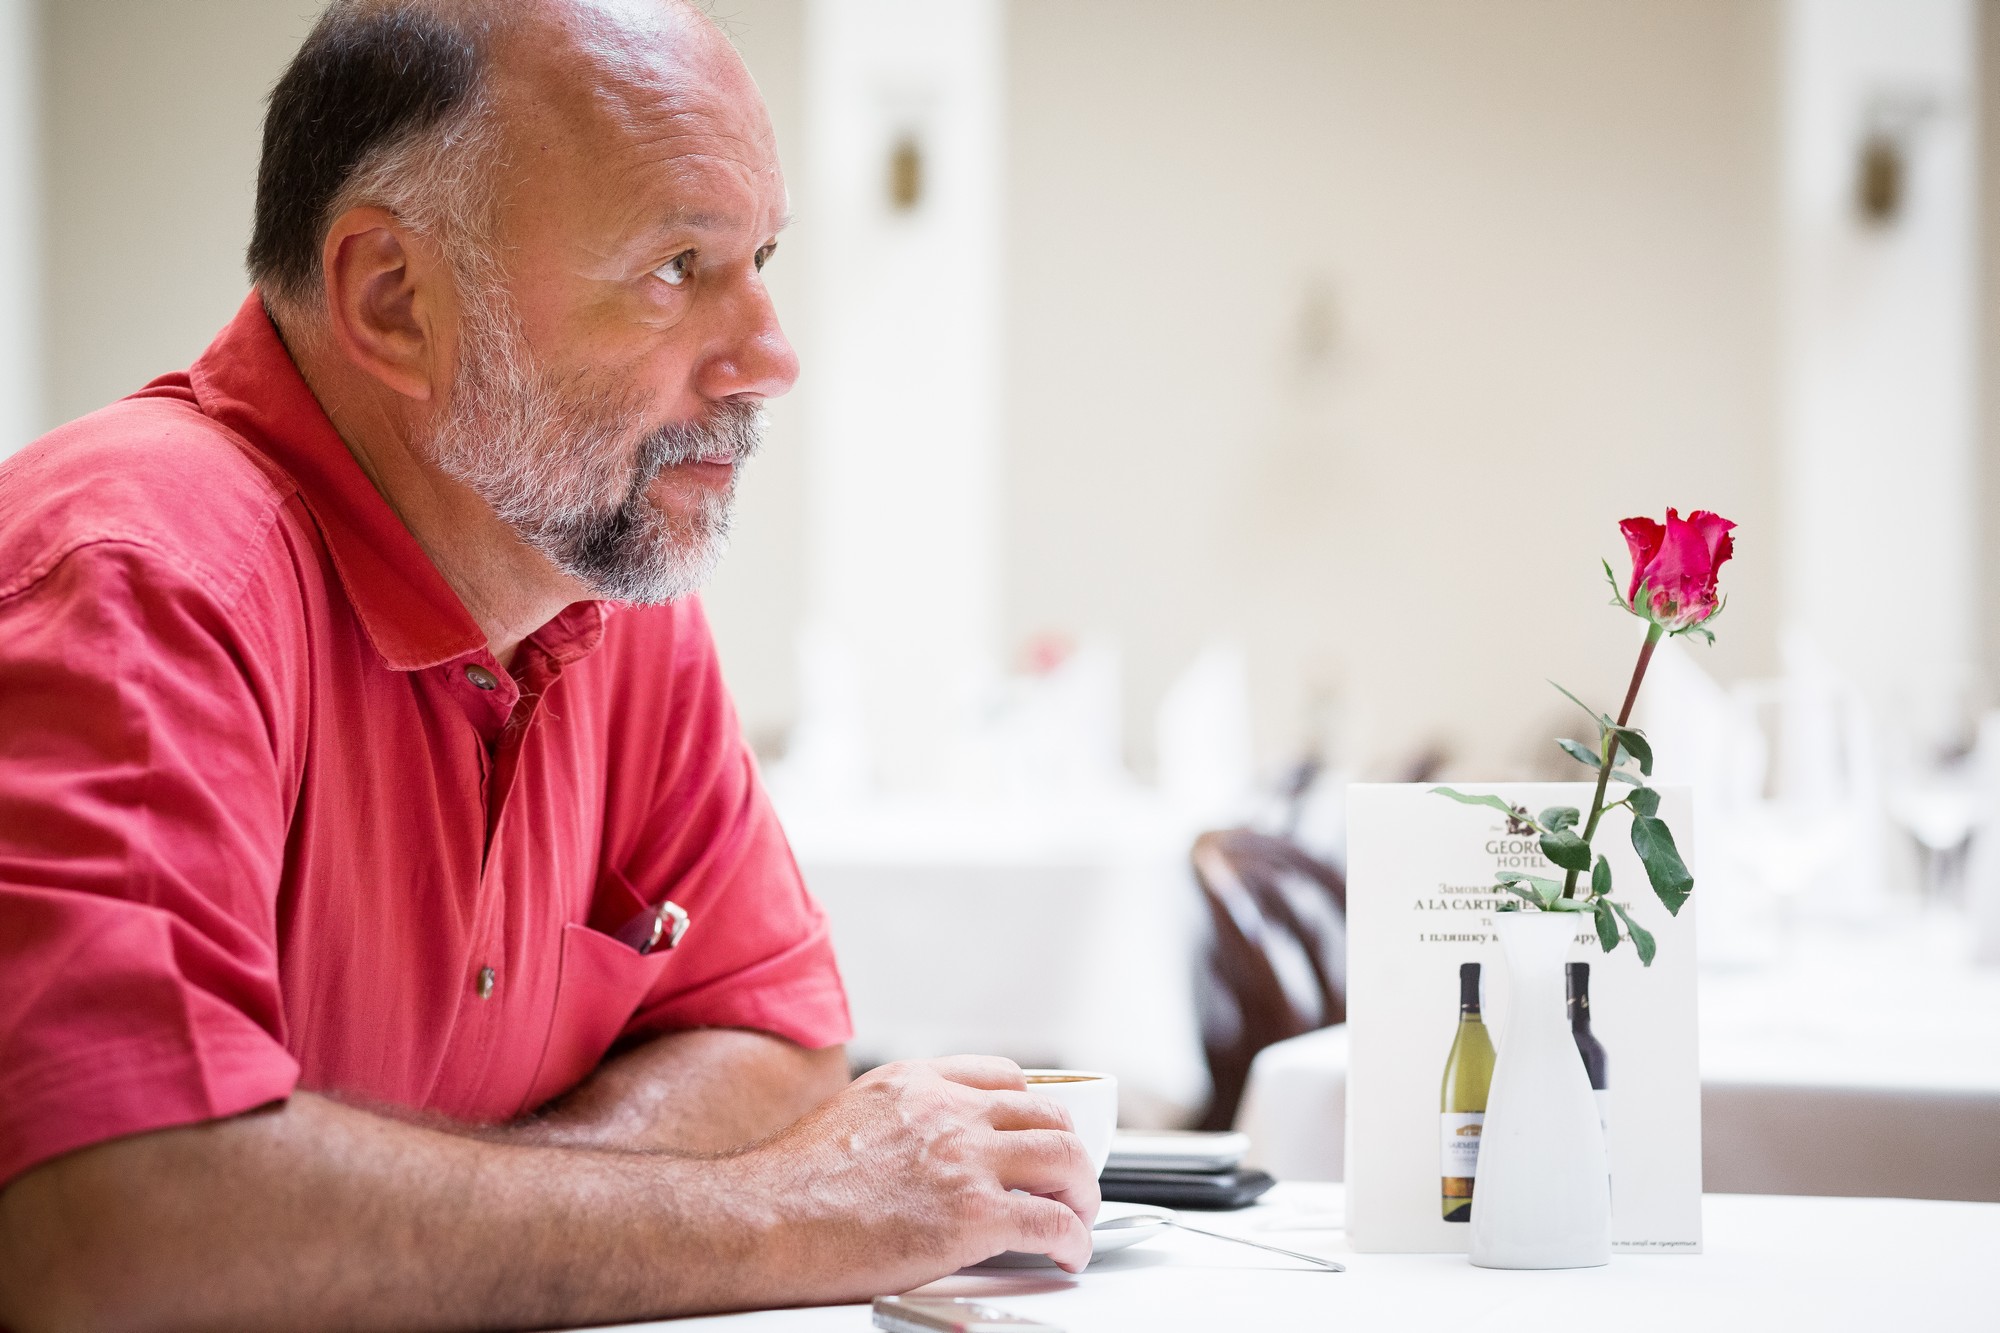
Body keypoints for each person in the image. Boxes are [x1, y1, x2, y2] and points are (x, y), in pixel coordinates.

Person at [0, 2, 1098, 1328]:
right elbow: (119, 1226)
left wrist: (404, 1222)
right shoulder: (140, 576)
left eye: (759, 258)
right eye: (676, 266)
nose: (772, 359)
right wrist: (794, 1209)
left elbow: (777, 1046)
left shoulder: (599, 589)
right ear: (393, 298)